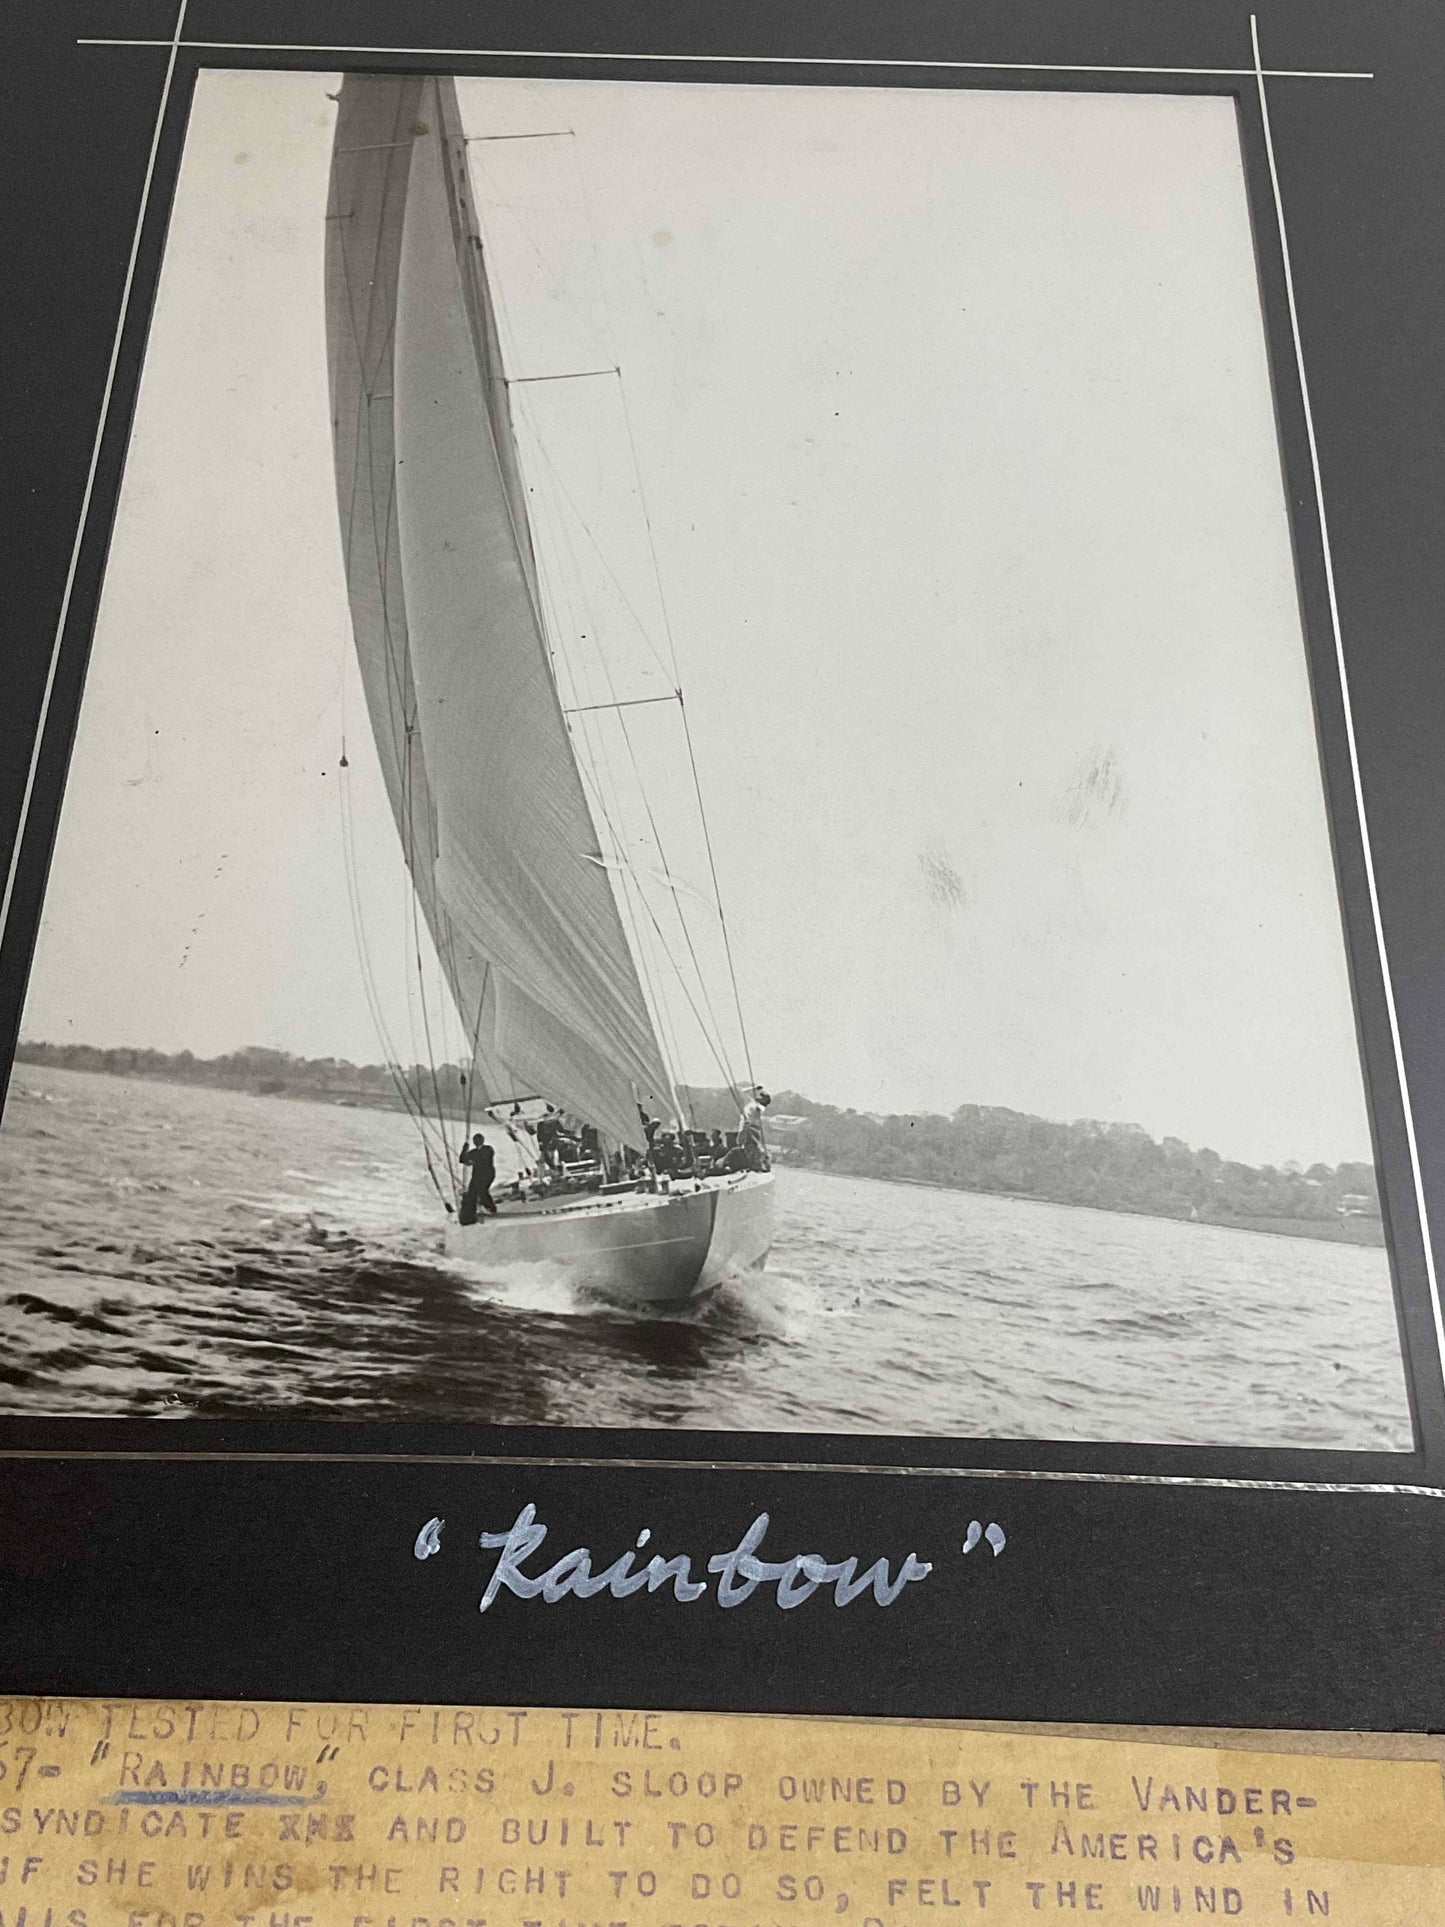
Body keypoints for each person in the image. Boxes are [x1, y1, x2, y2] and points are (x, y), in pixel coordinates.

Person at [458, 1133, 497, 1225]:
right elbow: (462, 1160)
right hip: (477, 1175)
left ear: (482, 1140)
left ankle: (491, 1208)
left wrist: (471, 1160)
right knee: (471, 1192)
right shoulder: (473, 1152)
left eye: (478, 1140)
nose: (476, 1142)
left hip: (487, 1174)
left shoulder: (488, 1149)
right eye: (475, 1140)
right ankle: (471, 1212)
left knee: (482, 1190)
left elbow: (484, 1158)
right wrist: (465, 1149)